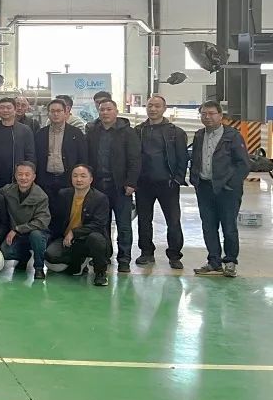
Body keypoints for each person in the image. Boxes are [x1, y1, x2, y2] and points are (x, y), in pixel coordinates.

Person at [190, 101, 250, 278]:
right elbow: (195, 159)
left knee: (229, 226)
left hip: (227, 190)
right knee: (208, 226)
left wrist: (231, 184)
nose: (207, 117)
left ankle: (230, 261)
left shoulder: (232, 136)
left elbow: (243, 164)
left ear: (220, 116)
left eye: (211, 113)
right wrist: (195, 179)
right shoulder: (199, 135)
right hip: (204, 188)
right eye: (203, 114)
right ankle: (214, 261)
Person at [133, 95, 188, 269]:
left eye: (157, 106)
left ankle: (174, 255)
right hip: (143, 184)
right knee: (144, 220)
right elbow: (132, 157)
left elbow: (183, 157)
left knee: (173, 221)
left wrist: (177, 179)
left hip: (168, 184)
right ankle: (146, 252)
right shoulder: (138, 131)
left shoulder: (176, 132)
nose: (153, 109)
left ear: (164, 108)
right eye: (150, 106)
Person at [86, 99, 140, 273]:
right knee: (102, 224)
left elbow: (135, 159)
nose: (105, 113)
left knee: (124, 225)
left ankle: (124, 259)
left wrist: (131, 182)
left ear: (116, 111)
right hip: (98, 187)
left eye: (109, 109)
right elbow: (88, 158)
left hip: (121, 187)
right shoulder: (93, 132)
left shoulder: (128, 132)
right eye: (102, 110)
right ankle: (103, 255)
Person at [46, 164, 111, 286]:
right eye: (75, 176)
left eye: (83, 176)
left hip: (87, 238)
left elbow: (98, 224)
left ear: (91, 179)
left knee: (96, 239)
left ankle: (100, 273)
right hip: (67, 240)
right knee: (50, 256)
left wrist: (74, 232)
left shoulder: (100, 198)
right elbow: (56, 219)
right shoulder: (63, 194)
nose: (79, 179)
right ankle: (79, 261)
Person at [0, 162, 51, 279]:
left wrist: (18, 229)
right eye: (20, 174)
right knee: (6, 252)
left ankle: (39, 268)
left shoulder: (41, 196)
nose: (23, 178)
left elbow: (42, 221)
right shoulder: (8, 190)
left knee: (36, 235)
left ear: (34, 177)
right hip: (17, 234)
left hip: (36, 232)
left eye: (27, 174)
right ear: (15, 176)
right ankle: (24, 257)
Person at [35, 98, 88, 195]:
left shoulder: (76, 133)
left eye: (59, 111)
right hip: (45, 180)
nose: (55, 114)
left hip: (68, 180)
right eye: (52, 111)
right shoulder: (40, 134)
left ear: (65, 113)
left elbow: (83, 157)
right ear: (48, 114)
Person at [0, 97, 36, 190]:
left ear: (15, 110)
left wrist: (28, 175)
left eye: (8, 108)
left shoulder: (25, 130)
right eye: (2, 107)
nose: (5, 110)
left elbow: (30, 155)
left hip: (18, 179)